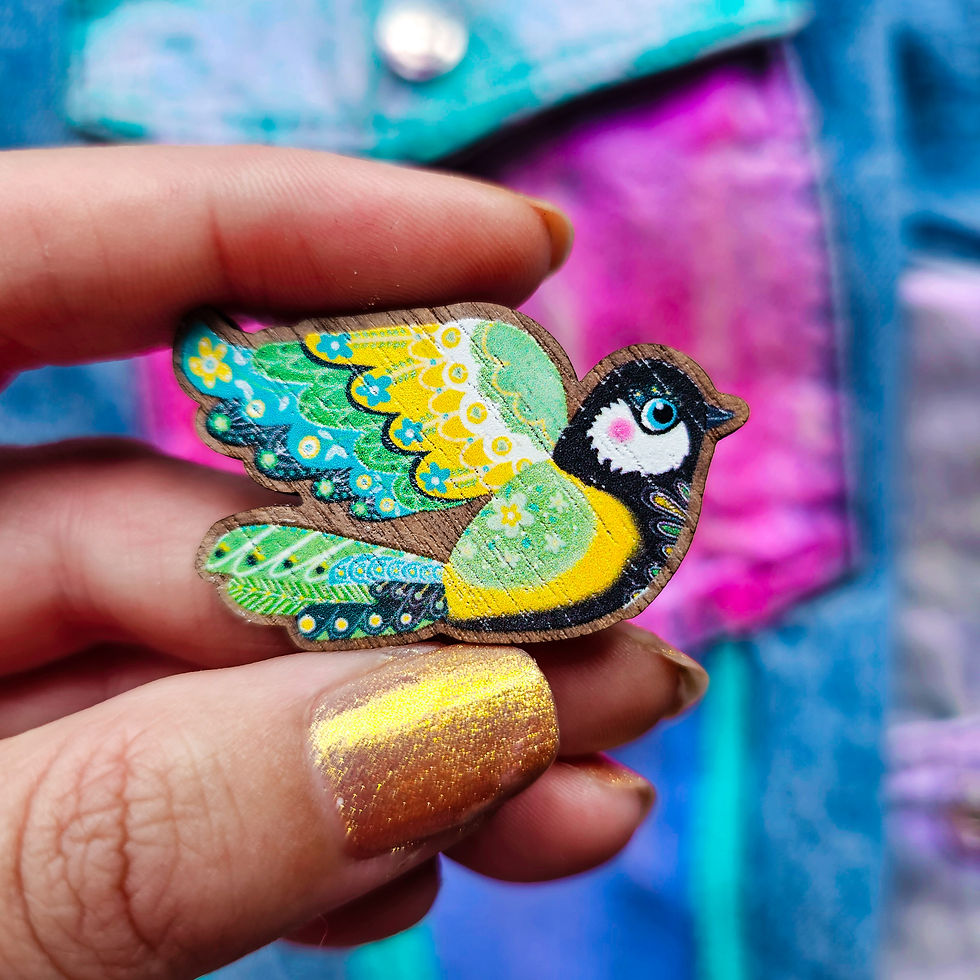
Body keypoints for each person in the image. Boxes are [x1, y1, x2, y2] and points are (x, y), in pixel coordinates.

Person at [0, 144, 706, 979]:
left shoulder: (624, 522)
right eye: (662, 416)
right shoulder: (541, 439)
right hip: (445, 594)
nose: (684, 444)